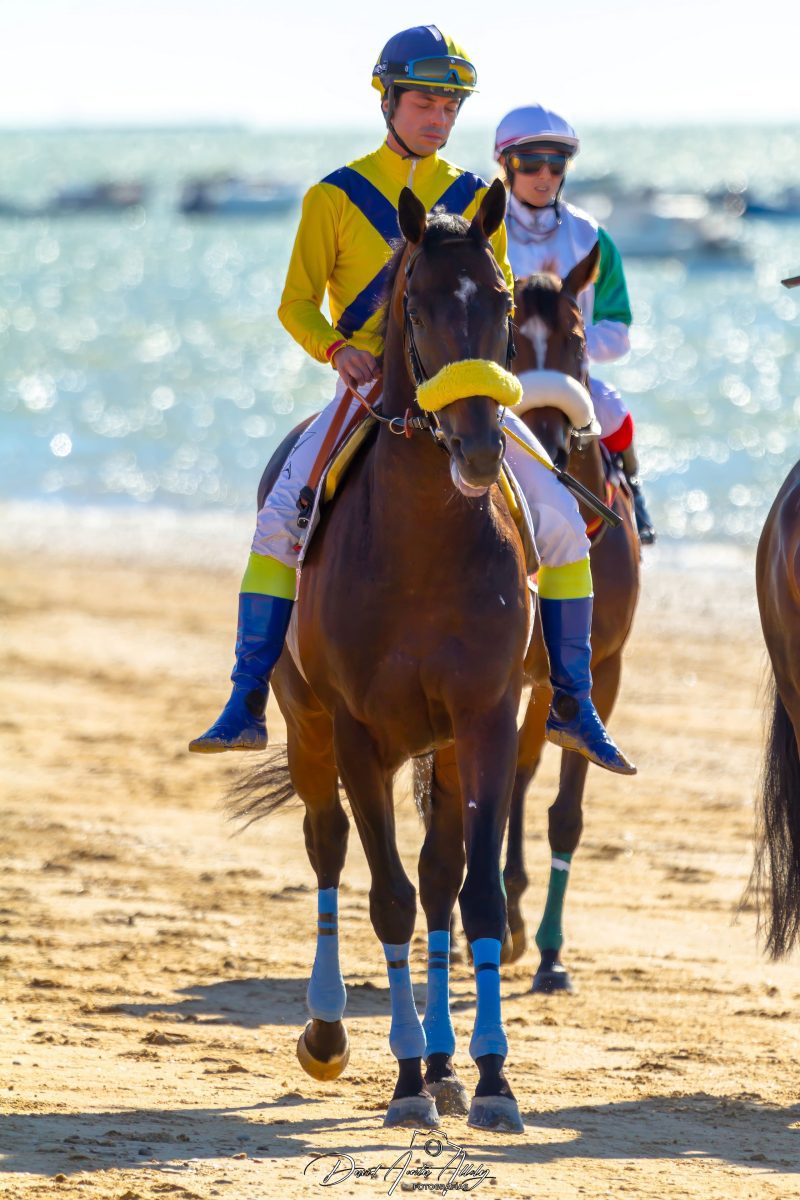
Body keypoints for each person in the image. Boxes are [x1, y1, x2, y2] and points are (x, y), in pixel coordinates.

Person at [189, 26, 634, 776]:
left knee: (563, 522)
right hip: (372, 388)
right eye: (425, 103)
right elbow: (295, 304)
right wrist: (338, 348)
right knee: (279, 519)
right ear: (388, 101)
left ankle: (573, 702)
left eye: (450, 106)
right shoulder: (333, 197)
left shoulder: (478, 197)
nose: (439, 118)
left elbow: (494, 301)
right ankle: (245, 698)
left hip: (466, 390)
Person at [494, 103, 656, 544]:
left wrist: (571, 344)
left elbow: (617, 327)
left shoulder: (592, 236)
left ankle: (633, 490)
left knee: (611, 407)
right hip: (503, 378)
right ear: (505, 163)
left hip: (571, 378)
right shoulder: (487, 233)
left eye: (557, 162)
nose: (544, 175)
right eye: (530, 162)